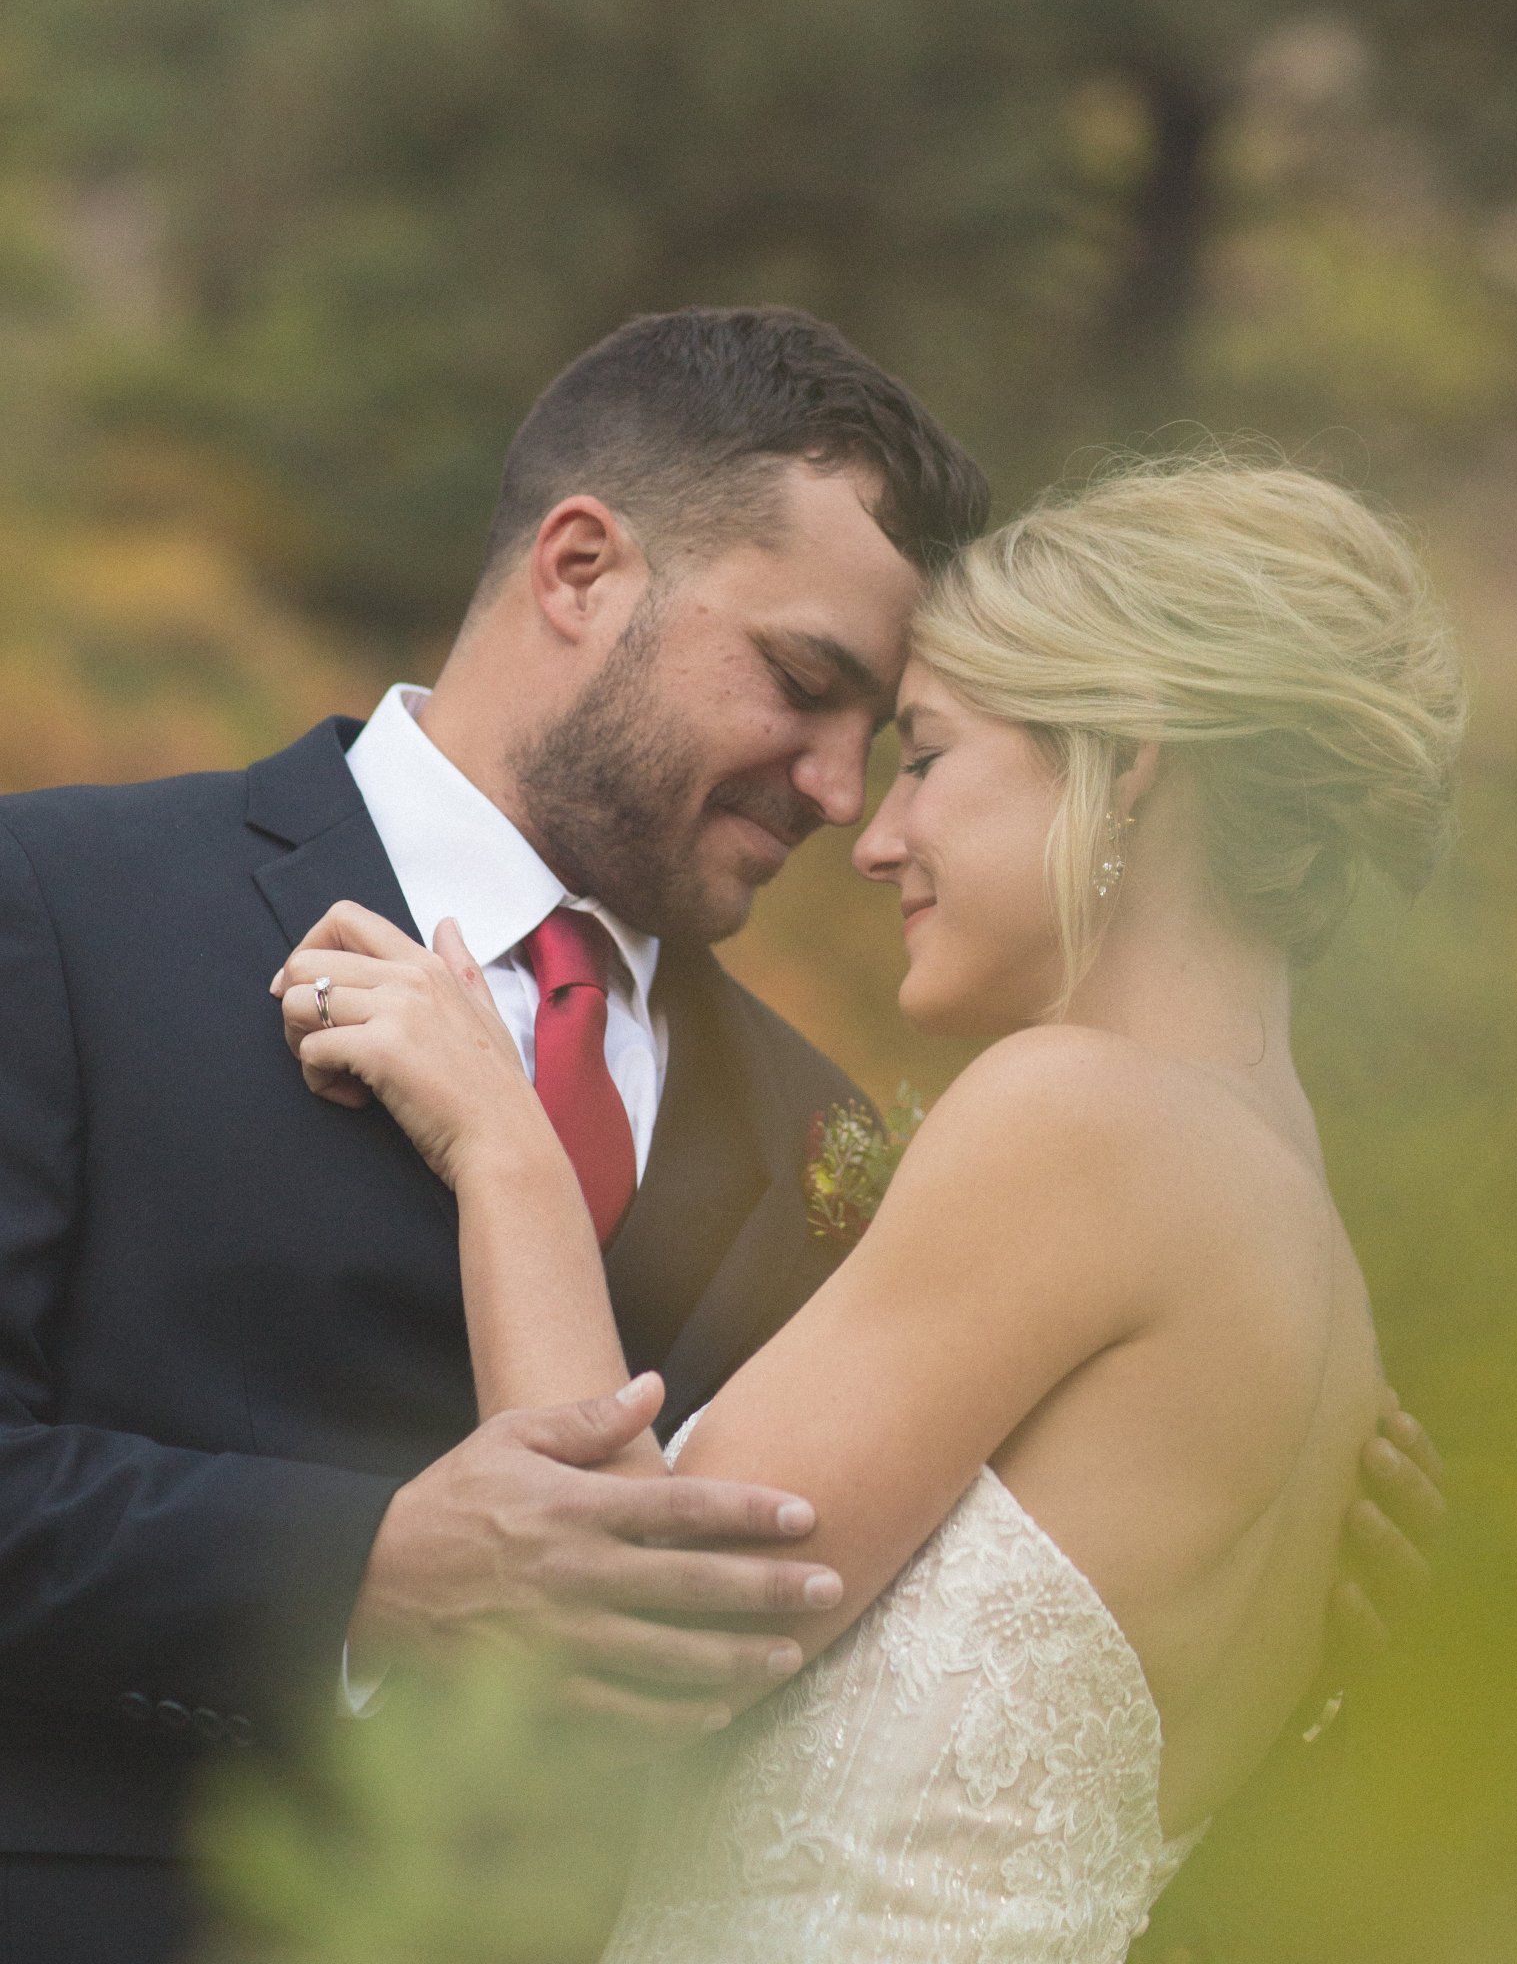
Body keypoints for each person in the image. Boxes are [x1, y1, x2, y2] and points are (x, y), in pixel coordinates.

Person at [0, 311, 1436, 1964]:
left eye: (904, 739)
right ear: (583, 569)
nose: (848, 799)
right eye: (810, 686)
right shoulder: (64, 907)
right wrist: (375, 1566)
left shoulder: (847, 1136)